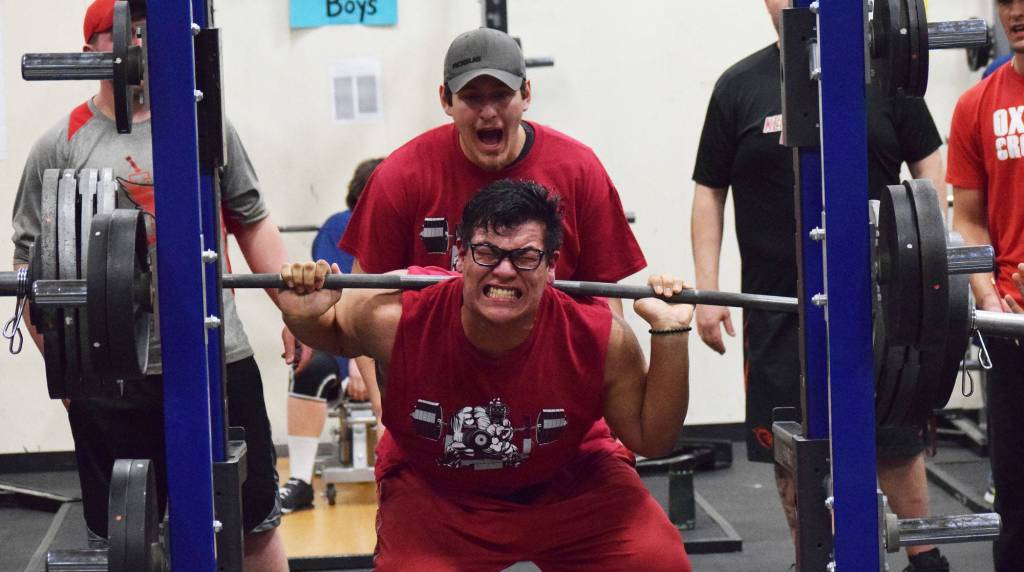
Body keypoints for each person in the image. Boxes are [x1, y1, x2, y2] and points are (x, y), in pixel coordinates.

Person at [278, 180, 692, 570]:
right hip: (439, 494)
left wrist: (670, 334)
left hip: (570, 484)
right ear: (460, 256)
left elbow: (651, 438)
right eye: (488, 252)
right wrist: (302, 316)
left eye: (526, 256)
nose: (505, 271)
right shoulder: (399, 317)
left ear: (551, 266)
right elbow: (332, 330)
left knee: (656, 560)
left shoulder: (599, 338)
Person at [10, 1, 291, 568]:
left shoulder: (204, 123)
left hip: (216, 357)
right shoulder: (60, 144)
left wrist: (294, 308)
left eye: (146, 32)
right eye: (121, 35)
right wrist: (62, 363)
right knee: (121, 541)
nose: (136, 47)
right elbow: (32, 269)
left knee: (251, 521)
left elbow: (252, 220)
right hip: (111, 375)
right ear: (90, 49)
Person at [690, 1, 948, 570]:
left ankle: (927, 559)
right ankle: (814, 557)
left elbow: (930, 165)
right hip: (781, 309)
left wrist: (932, 262)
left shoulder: (883, 78)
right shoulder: (739, 86)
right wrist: (706, 294)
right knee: (795, 451)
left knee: (895, 440)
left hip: (878, 301)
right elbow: (709, 190)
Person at [333, 26, 646, 424]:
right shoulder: (401, 177)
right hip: (441, 392)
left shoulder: (578, 170)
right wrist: (386, 411)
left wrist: (603, 417)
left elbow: (604, 304)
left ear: (526, 95)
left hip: (552, 391)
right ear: (445, 100)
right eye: (472, 97)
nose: (488, 112)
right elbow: (361, 303)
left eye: (501, 95)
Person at [947, 1, 1024, 569]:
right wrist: (988, 298)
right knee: (1017, 496)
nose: (1015, 12)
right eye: (1004, 1)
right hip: (1014, 327)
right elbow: (967, 219)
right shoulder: (976, 105)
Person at [279, 157, 383, 513]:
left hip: (393, 341)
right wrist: (355, 359)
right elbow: (335, 298)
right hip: (346, 341)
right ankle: (301, 481)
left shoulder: (406, 227)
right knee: (308, 368)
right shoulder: (337, 229)